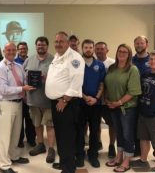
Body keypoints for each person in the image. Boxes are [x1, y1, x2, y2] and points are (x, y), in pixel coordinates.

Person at [45, 31, 85, 173]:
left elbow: (76, 83)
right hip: (56, 103)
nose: (58, 44)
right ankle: (64, 163)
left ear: (68, 43)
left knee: (67, 137)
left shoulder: (75, 58)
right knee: (61, 136)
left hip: (66, 104)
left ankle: (68, 168)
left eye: (61, 41)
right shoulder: (57, 56)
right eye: (56, 41)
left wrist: (64, 100)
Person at [0, 43, 35, 173]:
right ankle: (4, 165)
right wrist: (22, 88)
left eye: (13, 50)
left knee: (16, 133)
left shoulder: (18, 66)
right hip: (6, 103)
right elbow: (3, 89)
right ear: (4, 51)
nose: (11, 52)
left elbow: (24, 81)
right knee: (5, 135)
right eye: (8, 50)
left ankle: (14, 156)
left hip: (18, 103)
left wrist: (34, 81)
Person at [104, 44, 141, 173]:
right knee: (119, 133)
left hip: (127, 108)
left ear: (129, 54)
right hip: (113, 107)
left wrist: (118, 102)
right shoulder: (111, 68)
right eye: (120, 51)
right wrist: (108, 100)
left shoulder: (132, 69)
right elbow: (107, 85)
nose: (122, 53)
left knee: (127, 134)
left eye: (125, 52)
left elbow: (133, 92)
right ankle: (119, 156)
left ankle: (127, 160)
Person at [23, 36, 56, 163]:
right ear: (35, 46)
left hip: (48, 100)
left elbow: (58, 78)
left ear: (47, 46)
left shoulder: (53, 60)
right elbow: (23, 77)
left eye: (43, 45)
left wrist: (47, 78)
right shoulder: (28, 60)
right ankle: (40, 144)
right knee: (36, 124)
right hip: (33, 100)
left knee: (50, 125)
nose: (40, 47)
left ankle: (51, 149)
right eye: (38, 45)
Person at [76, 39, 106, 168]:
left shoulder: (99, 65)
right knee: (80, 130)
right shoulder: (76, 64)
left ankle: (93, 155)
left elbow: (102, 83)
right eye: (86, 47)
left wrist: (96, 98)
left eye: (90, 47)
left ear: (93, 49)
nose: (88, 49)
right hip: (80, 103)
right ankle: (80, 155)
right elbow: (75, 83)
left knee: (95, 130)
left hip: (96, 103)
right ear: (82, 49)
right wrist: (84, 97)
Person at [95, 41, 116, 158]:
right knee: (95, 123)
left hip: (109, 101)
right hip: (96, 101)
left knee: (112, 124)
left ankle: (112, 145)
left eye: (102, 49)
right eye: (97, 49)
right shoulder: (92, 63)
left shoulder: (113, 63)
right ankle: (98, 142)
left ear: (107, 50)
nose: (99, 51)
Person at [15, 42, 36, 148]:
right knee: (19, 120)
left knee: (30, 119)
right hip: (19, 96)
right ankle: (19, 140)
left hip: (31, 95)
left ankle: (31, 139)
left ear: (27, 49)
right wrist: (23, 94)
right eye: (21, 49)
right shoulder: (14, 63)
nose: (23, 50)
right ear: (17, 50)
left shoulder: (32, 60)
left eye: (25, 48)